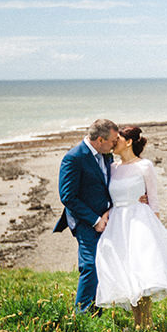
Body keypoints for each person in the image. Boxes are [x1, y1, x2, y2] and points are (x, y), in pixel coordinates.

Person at [95, 126, 167, 329]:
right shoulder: (112, 167)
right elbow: (107, 196)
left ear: (128, 142)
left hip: (139, 221)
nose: (113, 143)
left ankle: (145, 324)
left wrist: (156, 229)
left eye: (117, 139)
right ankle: (139, 324)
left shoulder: (145, 166)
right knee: (127, 272)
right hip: (118, 223)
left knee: (142, 272)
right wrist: (106, 212)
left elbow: (153, 199)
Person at [55, 118, 119, 314]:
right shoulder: (74, 158)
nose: (115, 144)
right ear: (100, 140)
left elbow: (109, 185)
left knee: (105, 264)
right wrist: (95, 220)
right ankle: (81, 317)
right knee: (90, 266)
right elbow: (67, 196)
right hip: (84, 221)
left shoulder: (106, 155)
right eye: (113, 141)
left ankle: (96, 313)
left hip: (106, 218)